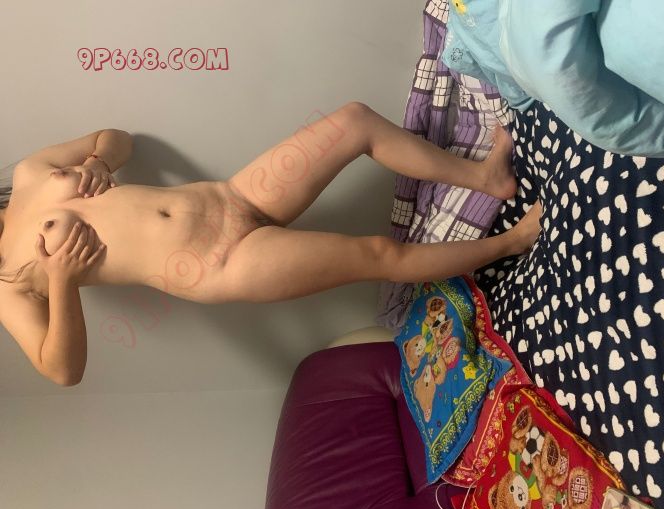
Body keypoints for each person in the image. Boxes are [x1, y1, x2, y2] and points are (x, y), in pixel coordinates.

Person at [0, 101, 541, 386]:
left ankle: (486, 178)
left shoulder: (27, 173)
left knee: (353, 122)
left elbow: (116, 138)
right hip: (219, 263)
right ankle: (510, 243)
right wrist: (62, 280)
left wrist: (99, 161)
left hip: (229, 195)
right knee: (378, 255)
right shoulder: (7, 283)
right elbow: (62, 371)